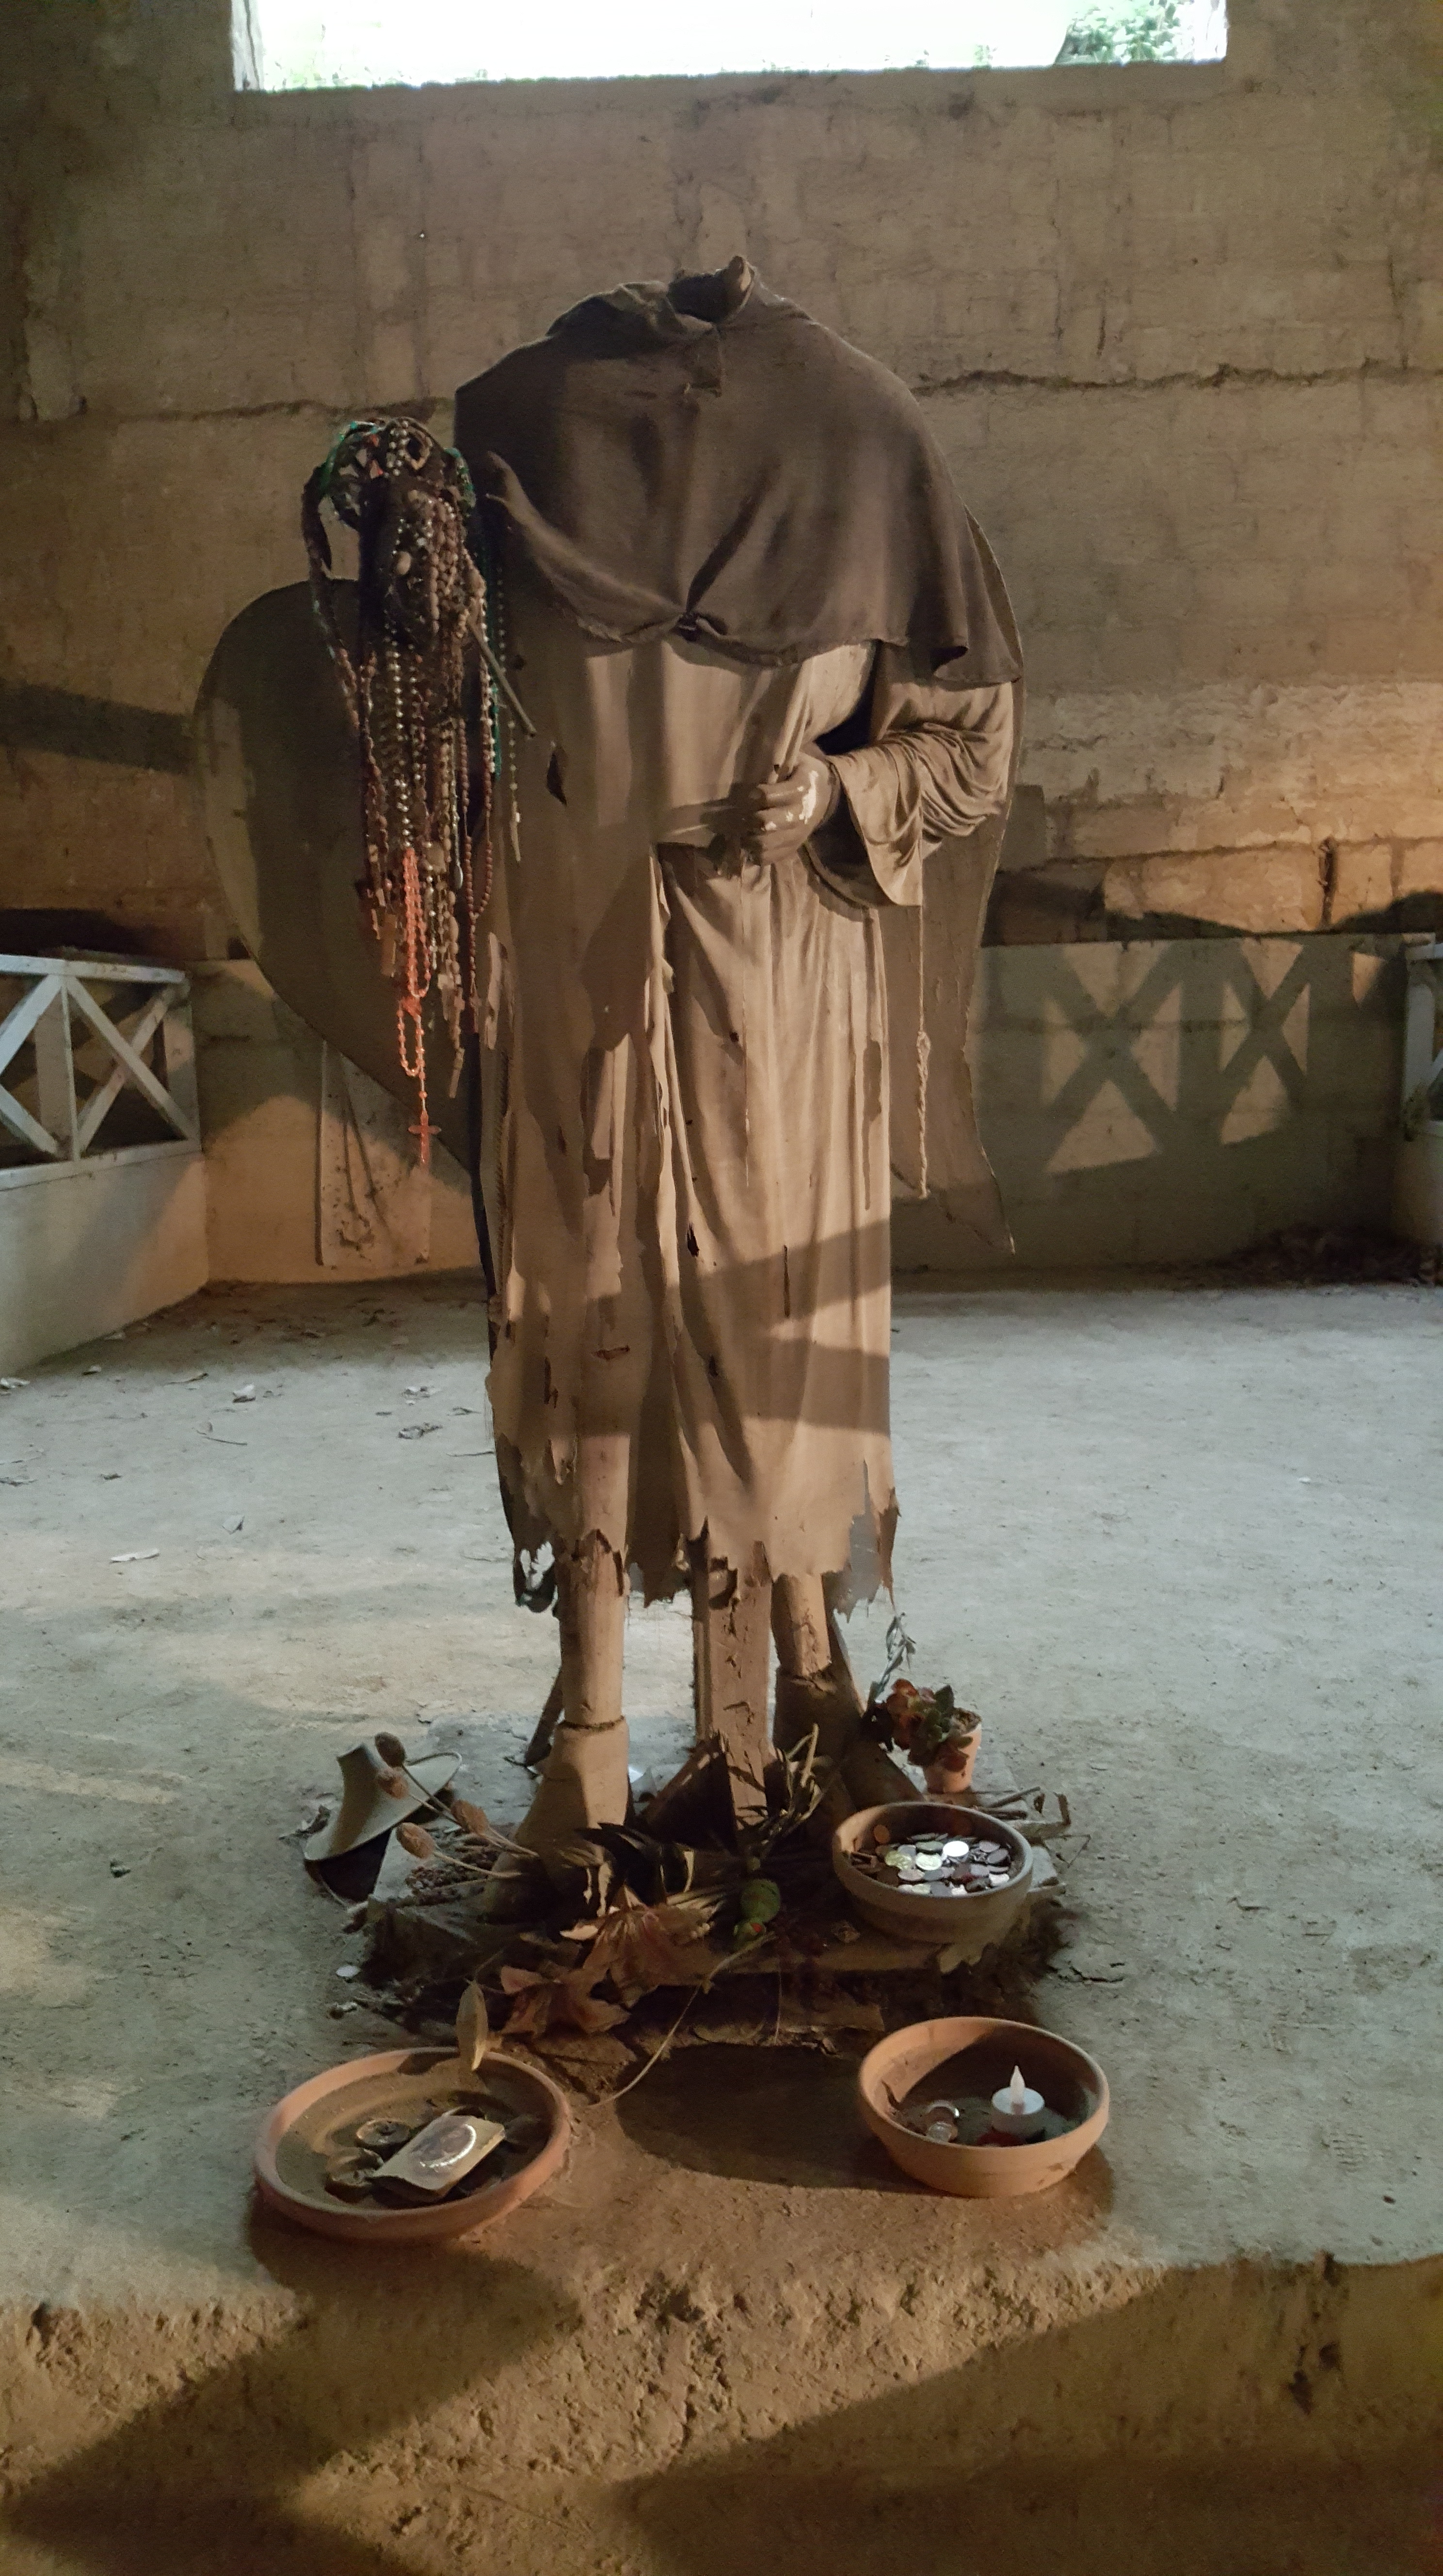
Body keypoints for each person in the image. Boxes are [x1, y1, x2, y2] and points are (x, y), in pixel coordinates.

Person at [450, 257, 1022, 1853]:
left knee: (781, 1319)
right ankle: (592, 1715)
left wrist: (838, 791)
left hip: (782, 972)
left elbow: (969, 738)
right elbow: (441, 709)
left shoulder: (860, 428)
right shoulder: (514, 430)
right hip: (579, 958)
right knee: (587, 1314)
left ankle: (808, 1681)